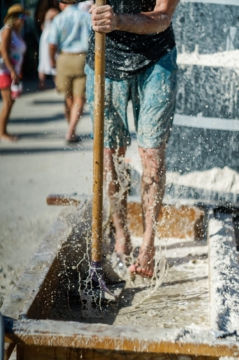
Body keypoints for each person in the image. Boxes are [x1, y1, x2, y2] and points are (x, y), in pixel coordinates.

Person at [86, 0, 179, 278]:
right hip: (106, 56)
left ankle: (148, 241)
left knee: (151, 155)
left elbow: (162, 16)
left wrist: (118, 21)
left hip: (155, 58)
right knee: (110, 156)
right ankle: (121, 234)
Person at [48, 3, 91, 143]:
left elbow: (52, 43)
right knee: (79, 98)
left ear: (62, 3)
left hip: (65, 57)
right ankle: (71, 130)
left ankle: (71, 129)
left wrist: (52, 61)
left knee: (68, 96)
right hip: (82, 57)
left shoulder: (59, 18)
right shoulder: (85, 16)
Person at [0, 4, 28, 142]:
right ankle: (2, 132)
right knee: (8, 102)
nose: (24, 19)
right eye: (21, 16)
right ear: (13, 18)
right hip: (3, 71)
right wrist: (11, 70)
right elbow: (4, 51)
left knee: (10, 102)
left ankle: (2, 130)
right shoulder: (8, 30)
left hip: (11, 71)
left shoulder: (16, 32)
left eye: (24, 17)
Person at [38, 7, 59, 90]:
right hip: (49, 37)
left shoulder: (48, 12)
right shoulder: (52, 11)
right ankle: (57, 83)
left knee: (43, 59)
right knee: (51, 58)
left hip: (46, 36)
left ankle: (42, 83)